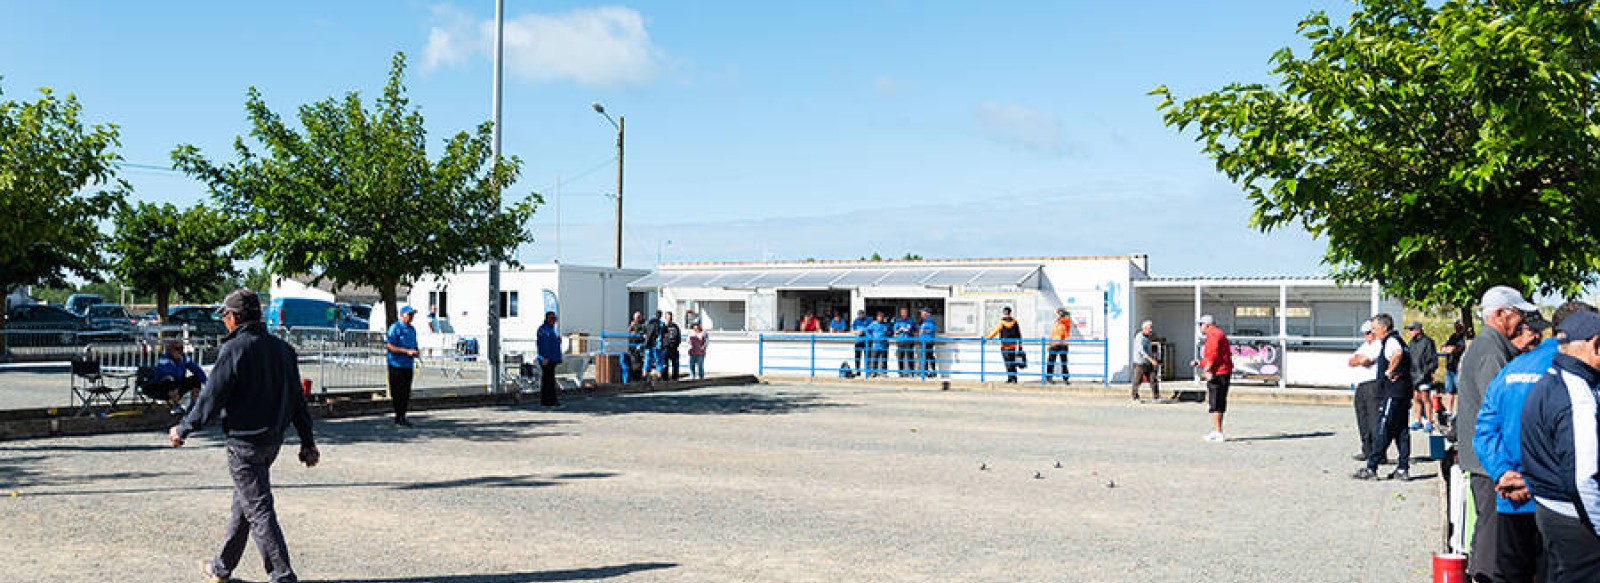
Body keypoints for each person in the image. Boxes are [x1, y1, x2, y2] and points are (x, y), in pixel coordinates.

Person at [169, 289, 318, 583]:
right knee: (246, 504)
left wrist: (183, 428)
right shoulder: (283, 350)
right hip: (271, 442)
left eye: (224, 315)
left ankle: (282, 576)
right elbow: (298, 401)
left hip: (244, 443)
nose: (223, 321)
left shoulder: (235, 349)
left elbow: (211, 397)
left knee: (259, 509)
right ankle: (221, 567)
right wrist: (307, 441)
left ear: (235, 317)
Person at [1476, 303, 1587, 583]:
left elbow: (1485, 430)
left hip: (1510, 499)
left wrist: (1503, 472)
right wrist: (1532, 481)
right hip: (1559, 505)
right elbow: (1578, 446)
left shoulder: (1512, 368)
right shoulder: (1577, 375)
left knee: (1511, 575)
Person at [1459, 285, 1537, 580]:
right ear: (1501, 314)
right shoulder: (1490, 351)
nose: (1522, 323)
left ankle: (1479, 574)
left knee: (1487, 530)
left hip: (1485, 460)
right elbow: (1500, 411)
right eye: (1518, 314)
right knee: (1493, 534)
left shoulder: (1490, 347)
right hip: (1491, 463)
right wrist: (1506, 466)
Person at [1519, 309, 1600, 583]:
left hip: (1549, 510)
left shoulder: (1549, 381)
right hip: (1577, 520)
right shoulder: (1579, 398)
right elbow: (1583, 477)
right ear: (1596, 345)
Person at [1353, 313, 1414, 480]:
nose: (1373, 332)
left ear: (1384, 327)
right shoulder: (1399, 340)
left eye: (1375, 328)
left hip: (1392, 393)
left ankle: (1372, 467)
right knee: (1402, 431)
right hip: (1403, 393)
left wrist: (1389, 371)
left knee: (1383, 428)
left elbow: (1397, 354)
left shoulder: (1392, 341)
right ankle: (1402, 468)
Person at [1190, 315, 1234, 442]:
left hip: (1218, 373)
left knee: (1216, 402)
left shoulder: (1214, 335)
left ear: (1207, 325)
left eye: (1201, 324)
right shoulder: (1217, 333)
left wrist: (1207, 371)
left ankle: (1219, 432)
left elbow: (1213, 355)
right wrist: (1200, 363)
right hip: (1221, 371)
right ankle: (1217, 430)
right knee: (1217, 401)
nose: (1200, 327)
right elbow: (1212, 355)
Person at [1348, 322, 1385, 464]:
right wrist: (1359, 360)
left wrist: (1360, 359)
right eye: (1366, 334)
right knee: (1362, 418)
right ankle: (1367, 449)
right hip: (1361, 384)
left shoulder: (1378, 345)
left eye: (1369, 333)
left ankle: (1378, 453)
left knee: (1374, 419)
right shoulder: (1365, 346)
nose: (1367, 336)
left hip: (1373, 384)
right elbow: (1351, 361)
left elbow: (1366, 360)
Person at [143, 338, 206, 416]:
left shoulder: (184, 358)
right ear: (170, 350)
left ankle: (194, 406)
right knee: (170, 380)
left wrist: (206, 382)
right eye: (177, 349)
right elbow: (173, 374)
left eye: (181, 348)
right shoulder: (164, 359)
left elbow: (197, 370)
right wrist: (179, 363)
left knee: (195, 379)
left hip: (177, 384)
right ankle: (176, 405)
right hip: (161, 386)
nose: (180, 351)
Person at [384, 305, 421, 427]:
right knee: (397, 391)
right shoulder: (395, 327)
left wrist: (416, 351)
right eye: (409, 315)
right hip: (396, 364)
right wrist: (406, 351)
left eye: (412, 315)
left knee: (406, 392)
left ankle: (403, 416)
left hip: (407, 365)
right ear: (402, 315)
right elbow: (389, 346)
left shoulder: (412, 329)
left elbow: (414, 345)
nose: (411, 317)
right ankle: (398, 416)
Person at [1407, 322, 1439, 433]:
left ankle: (1429, 421)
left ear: (1418, 330)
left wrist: (1427, 373)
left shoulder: (1428, 342)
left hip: (1424, 375)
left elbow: (1432, 360)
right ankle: (1418, 420)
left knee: (1425, 398)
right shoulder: (1411, 343)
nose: (1409, 332)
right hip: (1413, 374)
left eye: (1411, 329)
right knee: (1416, 398)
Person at [986, 307, 1024, 384]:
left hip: (1005, 345)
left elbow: (995, 331)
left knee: (1007, 362)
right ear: (1010, 313)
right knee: (1012, 362)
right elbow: (1018, 334)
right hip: (1013, 345)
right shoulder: (1015, 322)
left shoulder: (1001, 322)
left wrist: (987, 338)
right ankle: (1014, 378)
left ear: (1004, 313)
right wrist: (1020, 345)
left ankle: (1010, 378)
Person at [1441, 320, 1468, 419]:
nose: (1457, 327)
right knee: (1449, 389)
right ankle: (1449, 410)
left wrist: (1450, 349)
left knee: (1460, 390)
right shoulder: (1453, 336)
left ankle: (1459, 410)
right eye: (1456, 325)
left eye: (1459, 326)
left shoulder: (1463, 338)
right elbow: (1443, 347)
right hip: (1450, 367)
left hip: (1458, 368)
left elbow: (1456, 349)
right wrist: (1448, 348)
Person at [535, 311, 562, 406]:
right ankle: (548, 401)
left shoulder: (551, 329)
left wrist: (557, 341)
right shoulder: (543, 329)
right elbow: (543, 345)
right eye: (551, 319)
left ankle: (550, 400)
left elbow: (551, 343)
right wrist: (545, 357)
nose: (553, 321)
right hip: (547, 359)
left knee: (550, 379)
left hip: (552, 359)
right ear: (547, 319)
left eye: (554, 319)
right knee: (547, 380)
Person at [1130, 320, 1160, 401]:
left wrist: (1154, 357)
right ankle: (1134, 396)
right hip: (1140, 363)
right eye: (1150, 328)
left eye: (1151, 328)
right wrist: (1151, 360)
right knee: (1137, 380)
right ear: (1145, 328)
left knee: (1153, 379)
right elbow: (1141, 351)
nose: (1151, 330)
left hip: (1148, 362)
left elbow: (1149, 349)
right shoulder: (1139, 337)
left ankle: (1156, 397)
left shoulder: (1148, 337)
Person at [1049, 308, 1073, 385]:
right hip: (1054, 344)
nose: (1059, 314)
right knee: (1051, 361)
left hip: (1063, 344)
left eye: (1061, 312)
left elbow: (1067, 318)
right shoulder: (1056, 322)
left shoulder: (1066, 320)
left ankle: (1065, 378)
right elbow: (1053, 333)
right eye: (1058, 313)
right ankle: (1049, 377)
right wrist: (1050, 344)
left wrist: (1064, 314)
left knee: (1064, 362)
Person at [892, 308, 916, 377]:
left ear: (907, 313)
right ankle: (901, 372)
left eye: (905, 313)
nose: (904, 314)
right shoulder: (898, 321)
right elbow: (895, 332)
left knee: (910, 357)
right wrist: (900, 330)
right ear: (901, 313)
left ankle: (912, 372)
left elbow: (916, 331)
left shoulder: (911, 321)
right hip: (900, 341)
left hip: (909, 341)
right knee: (900, 357)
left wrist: (909, 331)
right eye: (903, 313)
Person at [867, 312, 891, 378]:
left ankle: (884, 373)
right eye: (879, 317)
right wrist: (871, 337)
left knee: (884, 359)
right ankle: (874, 372)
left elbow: (891, 332)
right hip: (876, 345)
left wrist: (888, 333)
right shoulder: (873, 324)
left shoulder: (887, 325)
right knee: (874, 359)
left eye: (882, 317)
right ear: (877, 317)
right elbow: (867, 330)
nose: (880, 318)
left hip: (884, 345)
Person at [660, 311, 683, 380]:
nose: (670, 319)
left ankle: (675, 378)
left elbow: (678, 336)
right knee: (665, 365)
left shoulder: (675, 326)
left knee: (675, 364)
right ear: (665, 318)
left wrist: (677, 344)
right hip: (665, 348)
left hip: (674, 348)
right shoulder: (663, 326)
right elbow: (660, 337)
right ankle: (665, 379)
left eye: (671, 317)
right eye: (668, 318)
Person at [917, 308, 938, 378]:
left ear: (927, 314)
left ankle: (932, 372)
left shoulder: (930, 321)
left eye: (923, 313)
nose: (921, 314)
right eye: (921, 313)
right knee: (925, 357)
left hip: (928, 342)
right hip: (923, 342)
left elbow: (931, 330)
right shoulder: (923, 321)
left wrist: (923, 331)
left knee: (929, 356)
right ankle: (925, 372)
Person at [643, 310, 663, 379]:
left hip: (648, 343)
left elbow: (644, 330)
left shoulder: (649, 322)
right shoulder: (661, 323)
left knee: (647, 359)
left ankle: (645, 374)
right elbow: (662, 334)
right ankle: (659, 375)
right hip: (656, 344)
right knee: (658, 360)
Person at [851, 310, 872, 376]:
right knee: (857, 357)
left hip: (867, 341)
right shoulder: (856, 320)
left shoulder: (868, 320)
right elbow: (852, 331)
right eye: (859, 315)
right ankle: (858, 371)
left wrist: (864, 332)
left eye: (862, 315)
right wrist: (857, 332)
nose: (861, 316)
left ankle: (867, 372)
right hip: (858, 341)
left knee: (867, 357)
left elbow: (871, 330)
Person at [626, 311, 645, 381]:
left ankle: (639, 378)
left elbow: (644, 334)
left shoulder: (643, 324)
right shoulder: (632, 324)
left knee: (640, 363)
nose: (638, 319)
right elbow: (628, 333)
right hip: (633, 347)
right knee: (633, 363)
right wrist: (631, 328)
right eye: (636, 317)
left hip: (640, 346)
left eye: (639, 317)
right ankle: (634, 378)